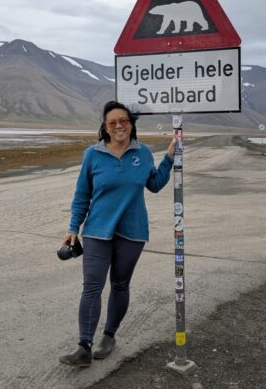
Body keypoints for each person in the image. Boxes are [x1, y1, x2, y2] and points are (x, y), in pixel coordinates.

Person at [59, 100, 176, 367]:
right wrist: (72, 228)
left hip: (132, 232)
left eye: (123, 120)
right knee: (92, 287)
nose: (118, 126)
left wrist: (169, 158)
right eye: (112, 122)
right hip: (97, 231)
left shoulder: (143, 153)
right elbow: (82, 195)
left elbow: (155, 184)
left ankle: (109, 336)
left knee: (120, 285)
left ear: (131, 123)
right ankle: (83, 347)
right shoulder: (92, 154)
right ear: (105, 126)